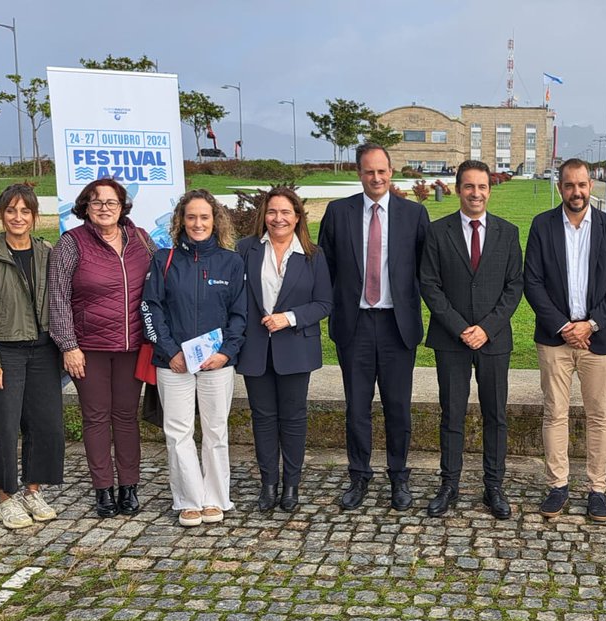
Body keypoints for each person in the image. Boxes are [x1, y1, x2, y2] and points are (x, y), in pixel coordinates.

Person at [317, 143, 430, 512]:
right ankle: (358, 475)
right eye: (369, 171)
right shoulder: (338, 213)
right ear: (359, 173)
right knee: (357, 408)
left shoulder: (414, 214)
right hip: (355, 325)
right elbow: (326, 269)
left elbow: (424, 272)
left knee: (398, 407)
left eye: (382, 171)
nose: (376, 178)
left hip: (398, 326)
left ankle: (399, 476)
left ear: (391, 172)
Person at [523, 158, 606, 522]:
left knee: (599, 415)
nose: (576, 192)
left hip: (597, 340)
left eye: (582, 185)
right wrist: (564, 326)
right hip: (555, 339)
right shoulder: (541, 225)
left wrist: (592, 324)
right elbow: (532, 282)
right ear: (560, 188)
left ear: (591, 185)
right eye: (569, 185)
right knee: (555, 412)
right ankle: (558, 485)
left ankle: (597, 488)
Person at [419, 159, 524, 519]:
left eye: (482, 187)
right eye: (469, 186)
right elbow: (429, 285)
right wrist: (461, 327)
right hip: (451, 340)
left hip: (494, 340)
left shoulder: (508, 233)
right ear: (457, 188)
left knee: (495, 415)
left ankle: (493, 486)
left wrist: (487, 328)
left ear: (489, 191)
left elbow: (514, 287)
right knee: (452, 413)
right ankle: (449, 484)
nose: (475, 193)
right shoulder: (437, 232)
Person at [0, 183, 65, 529]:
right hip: (5, 350)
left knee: (45, 424)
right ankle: (5, 497)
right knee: (4, 426)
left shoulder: (47, 251)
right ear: (1, 214)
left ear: (35, 217)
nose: (18, 217)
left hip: (44, 350)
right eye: (11, 211)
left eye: (25, 211)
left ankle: (33, 490)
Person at [48, 178, 154, 518]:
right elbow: (58, 297)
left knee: (126, 418)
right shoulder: (71, 243)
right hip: (88, 348)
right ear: (85, 207)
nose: (105, 207)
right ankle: (103, 490)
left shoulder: (141, 240)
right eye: (97, 202)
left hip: (133, 347)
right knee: (95, 418)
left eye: (111, 201)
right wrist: (68, 345)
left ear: (123, 205)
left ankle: (129, 487)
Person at [141, 189, 246, 527]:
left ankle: (216, 498)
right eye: (191, 217)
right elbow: (151, 308)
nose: (198, 223)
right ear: (180, 221)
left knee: (216, 431)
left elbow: (239, 314)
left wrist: (226, 352)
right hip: (175, 364)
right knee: (178, 432)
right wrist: (170, 351)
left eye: (204, 217)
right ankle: (188, 499)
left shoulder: (232, 261)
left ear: (215, 220)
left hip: (217, 363)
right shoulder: (164, 259)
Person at [236, 188, 332, 514]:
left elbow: (324, 303)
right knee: (262, 419)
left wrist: (289, 318)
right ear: (263, 215)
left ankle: (291, 485)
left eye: (286, 212)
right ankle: (268, 484)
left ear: (297, 216)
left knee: (293, 419)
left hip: (295, 349)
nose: (278, 218)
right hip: (255, 350)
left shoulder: (313, 255)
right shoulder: (244, 250)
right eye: (272, 211)